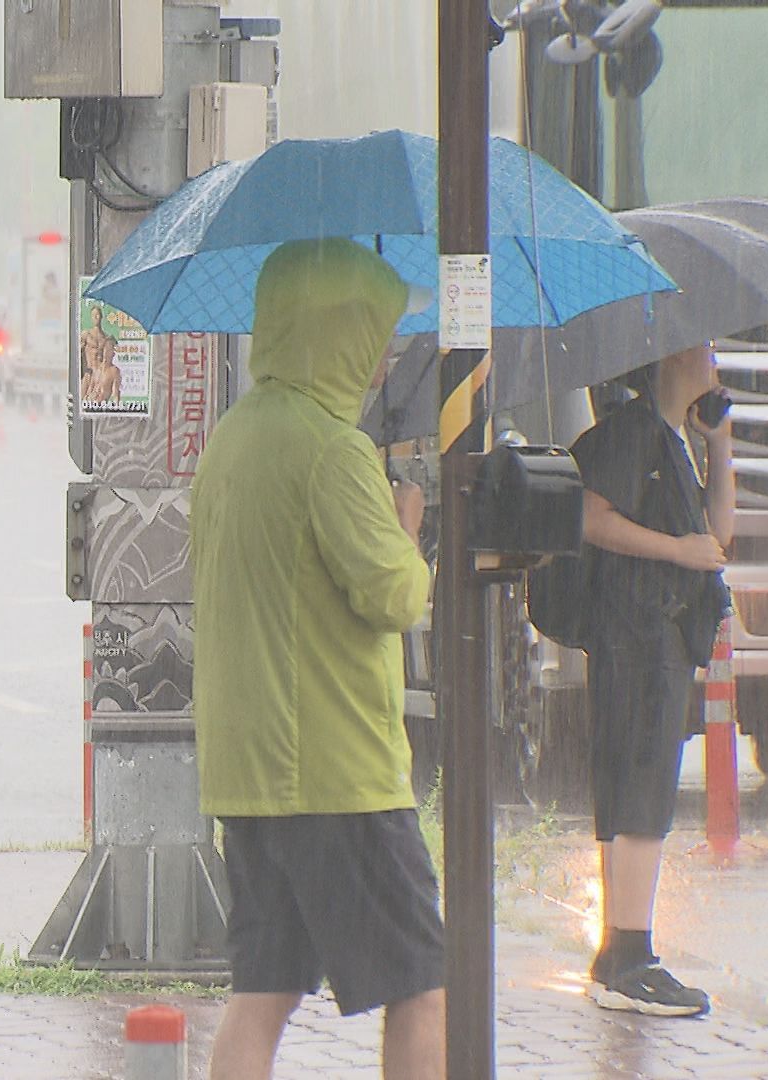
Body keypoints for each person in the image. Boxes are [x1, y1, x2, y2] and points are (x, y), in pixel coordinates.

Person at [192, 238, 445, 1080]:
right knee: (422, 984)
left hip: (250, 773)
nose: (380, 368)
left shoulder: (232, 438)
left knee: (263, 990)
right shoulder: (332, 449)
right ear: (337, 337)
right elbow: (394, 597)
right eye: (372, 340)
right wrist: (409, 534)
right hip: (337, 771)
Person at [571, 344, 734, 1018]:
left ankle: (621, 949)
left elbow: (717, 539)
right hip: (636, 635)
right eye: (705, 348)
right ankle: (630, 956)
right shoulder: (629, 434)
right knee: (640, 794)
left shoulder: (674, 440)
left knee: (643, 789)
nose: (714, 360)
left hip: (661, 636)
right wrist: (675, 550)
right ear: (668, 357)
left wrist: (720, 448)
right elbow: (590, 518)